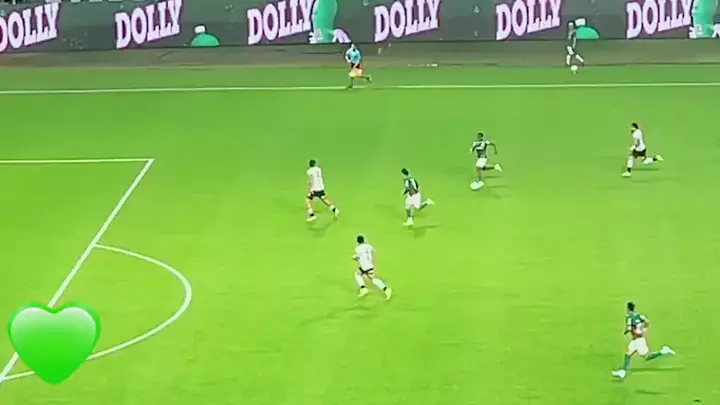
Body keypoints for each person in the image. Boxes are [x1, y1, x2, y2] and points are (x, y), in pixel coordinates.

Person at [612, 302, 676, 379]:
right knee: (628, 354)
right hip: (636, 339)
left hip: (639, 341)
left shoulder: (629, 318)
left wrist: (626, 332)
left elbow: (629, 328)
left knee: (647, 356)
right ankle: (623, 372)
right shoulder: (640, 316)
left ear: (628, 309)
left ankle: (663, 351)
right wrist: (643, 329)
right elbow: (647, 322)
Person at [352, 235, 392, 299]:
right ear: (364, 240)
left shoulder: (357, 248)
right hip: (368, 265)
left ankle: (386, 290)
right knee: (358, 274)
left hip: (365, 266)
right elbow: (373, 251)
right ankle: (363, 289)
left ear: (357, 241)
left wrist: (355, 257)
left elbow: (358, 257)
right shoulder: (368, 246)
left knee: (373, 279)